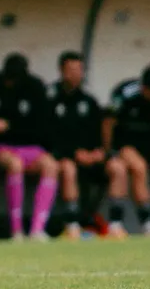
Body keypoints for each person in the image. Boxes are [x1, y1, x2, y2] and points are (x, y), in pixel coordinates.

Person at [48, 52, 129, 239]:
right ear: (62, 71)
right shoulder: (51, 98)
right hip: (66, 157)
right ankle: (72, 225)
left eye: (79, 70)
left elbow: (98, 133)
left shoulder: (89, 101)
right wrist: (73, 153)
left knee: (117, 168)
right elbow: (49, 135)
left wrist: (100, 152)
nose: (76, 74)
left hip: (91, 157)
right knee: (68, 169)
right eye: (71, 70)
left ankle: (116, 225)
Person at [0, 54, 59, 241]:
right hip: (0, 147)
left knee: (51, 165)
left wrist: (8, 125)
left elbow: (41, 125)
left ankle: (37, 229)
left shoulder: (35, 87)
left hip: (30, 146)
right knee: (15, 164)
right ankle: (16, 230)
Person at [110, 66, 150, 235]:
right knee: (126, 168)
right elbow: (108, 122)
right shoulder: (126, 95)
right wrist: (109, 151)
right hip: (123, 148)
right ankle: (118, 224)